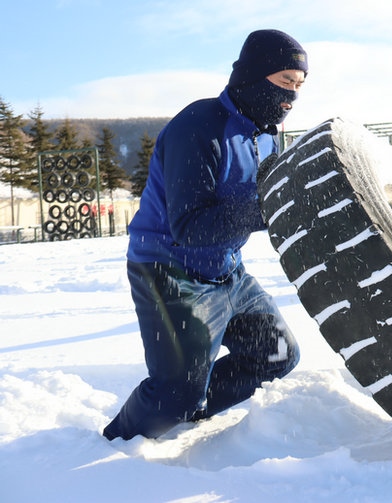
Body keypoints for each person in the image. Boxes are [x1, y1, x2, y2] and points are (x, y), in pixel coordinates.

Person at [103, 29, 307, 441]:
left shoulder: (267, 136)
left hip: (227, 269)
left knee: (276, 355)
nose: (292, 95)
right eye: (286, 80)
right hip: (168, 268)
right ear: (255, 74)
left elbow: (267, 204)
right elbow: (190, 227)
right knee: (173, 393)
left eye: (300, 85)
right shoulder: (199, 126)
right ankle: (119, 441)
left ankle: (187, 409)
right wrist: (267, 209)